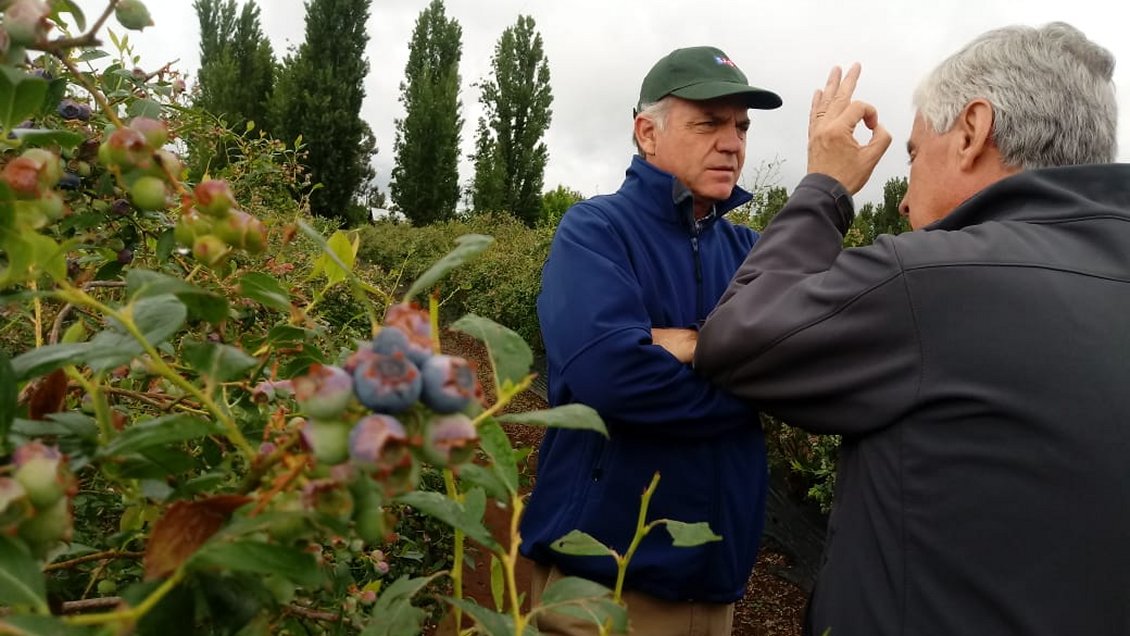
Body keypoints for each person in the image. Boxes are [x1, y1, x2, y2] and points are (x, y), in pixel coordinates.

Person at [694, 23, 1130, 636]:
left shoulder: (935, 279)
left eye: (915, 154)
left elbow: (736, 337)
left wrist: (825, 185)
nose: (902, 200)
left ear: (973, 132)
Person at [519, 46, 782, 635]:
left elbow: (802, 368)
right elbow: (610, 377)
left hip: (715, 588)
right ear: (648, 133)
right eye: (708, 123)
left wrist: (685, 345)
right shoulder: (597, 231)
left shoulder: (750, 252)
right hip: (604, 587)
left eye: (741, 126)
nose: (732, 142)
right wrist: (748, 385)